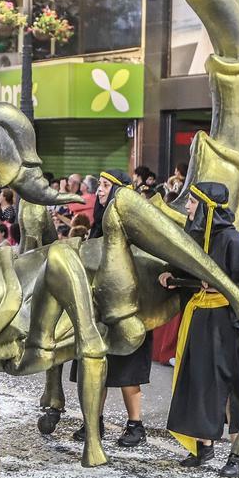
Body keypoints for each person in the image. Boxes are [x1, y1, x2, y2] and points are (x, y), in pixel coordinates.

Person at [159, 181, 239, 476]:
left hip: (225, 322)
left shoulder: (232, 239)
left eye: (192, 202)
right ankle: (202, 445)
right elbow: (191, 269)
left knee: (229, 385)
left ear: (207, 206)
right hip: (200, 317)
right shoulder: (198, 236)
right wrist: (172, 274)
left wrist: (220, 285)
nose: (188, 207)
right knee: (198, 379)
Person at [69, 169, 151, 448]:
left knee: (128, 372)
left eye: (105, 185)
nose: (100, 190)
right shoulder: (98, 224)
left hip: (128, 309)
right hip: (98, 309)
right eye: (100, 185)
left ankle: (136, 425)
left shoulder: (134, 224)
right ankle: (94, 421)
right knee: (96, 368)